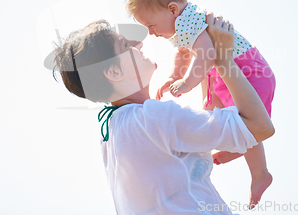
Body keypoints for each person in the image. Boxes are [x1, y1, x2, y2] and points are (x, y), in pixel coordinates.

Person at [52, 14, 274, 214]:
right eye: (124, 45)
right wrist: (223, 58)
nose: (138, 44)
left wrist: (208, 67)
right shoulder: (153, 119)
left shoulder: (112, 133)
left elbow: (204, 126)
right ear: (114, 71)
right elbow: (260, 127)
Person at [126, 0, 276, 208]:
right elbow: (185, 50)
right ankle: (238, 145)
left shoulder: (188, 20)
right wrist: (176, 74)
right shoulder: (183, 23)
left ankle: (260, 173)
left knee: (244, 118)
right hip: (229, 69)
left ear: (172, 9)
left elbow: (206, 52)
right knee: (212, 107)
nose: (151, 32)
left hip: (248, 70)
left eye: (151, 25)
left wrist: (186, 83)